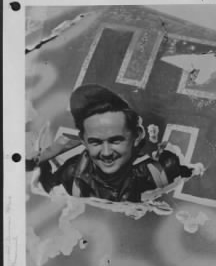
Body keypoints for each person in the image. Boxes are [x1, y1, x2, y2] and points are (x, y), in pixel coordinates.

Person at [33, 84, 193, 202]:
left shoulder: (162, 171)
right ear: (83, 141)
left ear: (136, 136)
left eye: (116, 140)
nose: (107, 153)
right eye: (95, 142)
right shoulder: (71, 174)